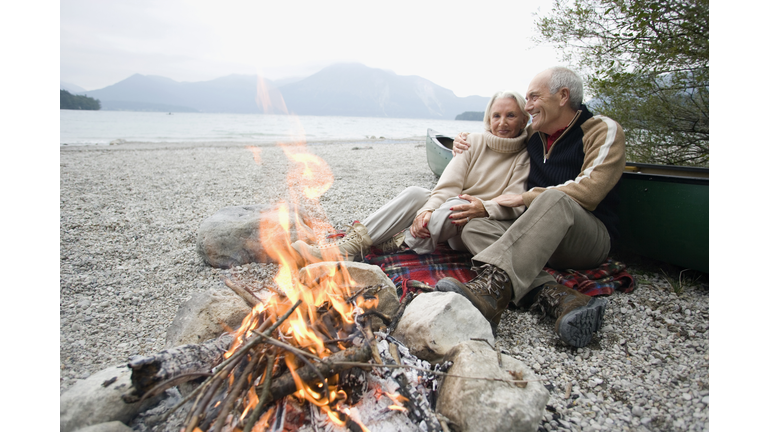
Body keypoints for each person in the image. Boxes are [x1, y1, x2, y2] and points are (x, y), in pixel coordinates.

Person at [437, 67, 626, 347]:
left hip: (587, 238)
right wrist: (463, 142)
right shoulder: (533, 135)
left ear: (563, 96)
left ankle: (492, 290)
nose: (527, 107)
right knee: (474, 226)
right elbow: (499, 138)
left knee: (554, 198)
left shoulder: (601, 130)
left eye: (534, 97)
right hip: (538, 239)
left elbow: (590, 190)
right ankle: (558, 296)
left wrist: (526, 198)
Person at [291, 90, 531, 265]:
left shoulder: (525, 156)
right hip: (444, 217)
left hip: (474, 223)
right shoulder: (472, 142)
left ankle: (401, 242)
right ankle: (350, 246)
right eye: (496, 115)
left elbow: (512, 202)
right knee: (418, 193)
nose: (502, 122)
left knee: (458, 204)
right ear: (488, 119)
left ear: (524, 120)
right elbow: (447, 186)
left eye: (510, 115)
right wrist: (425, 212)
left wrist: (484, 207)